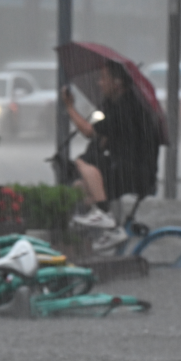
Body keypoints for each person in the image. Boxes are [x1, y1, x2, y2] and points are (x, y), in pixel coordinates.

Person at [62, 62, 159, 248]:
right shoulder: (116, 104)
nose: (99, 83)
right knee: (79, 186)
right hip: (125, 166)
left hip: (135, 172)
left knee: (84, 161)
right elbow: (107, 136)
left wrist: (69, 107)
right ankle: (96, 234)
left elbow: (89, 131)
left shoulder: (127, 106)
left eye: (103, 78)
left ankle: (105, 217)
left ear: (117, 83)